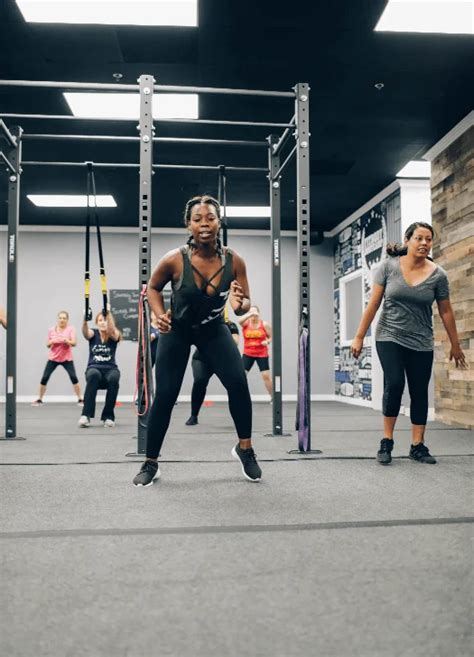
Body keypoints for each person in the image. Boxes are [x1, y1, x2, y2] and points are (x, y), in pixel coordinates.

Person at [133, 194, 262, 486]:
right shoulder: (174, 260)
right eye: (197, 219)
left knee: (239, 384)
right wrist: (157, 315)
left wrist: (240, 303)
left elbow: (243, 304)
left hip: (213, 329)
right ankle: (150, 462)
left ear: (219, 222)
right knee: (165, 394)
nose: (204, 224)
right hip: (176, 330)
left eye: (210, 218)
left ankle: (245, 449)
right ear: (188, 225)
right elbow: (152, 288)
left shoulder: (234, 261)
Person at [351, 221, 467, 465]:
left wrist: (455, 345)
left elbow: (446, 312)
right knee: (394, 382)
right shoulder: (388, 267)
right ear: (408, 240)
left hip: (421, 340)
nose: (424, 243)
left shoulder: (438, 275)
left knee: (419, 391)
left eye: (428, 239)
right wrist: (360, 336)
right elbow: (373, 304)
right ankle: (387, 440)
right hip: (389, 335)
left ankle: (417, 445)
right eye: (419, 238)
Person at [185, 318, 240, 426]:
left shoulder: (231, 325)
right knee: (199, 381)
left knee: (234, 385)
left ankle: (239, 419)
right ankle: (193, 415)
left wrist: (224, 330)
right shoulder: (202, 322)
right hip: (202, 360)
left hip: (222, 361)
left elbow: (235, 343)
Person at [79, 311, 121, 428]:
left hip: (110, 369)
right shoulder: (94, 333)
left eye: (105, 320)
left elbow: (115, 335)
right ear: (97, 323)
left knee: (114, 378)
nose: (103, 323)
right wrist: (85, 320)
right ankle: (85, 415)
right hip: (94, 368)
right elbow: (85, 333)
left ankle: (108, 417)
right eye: (100, 320)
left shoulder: (114, 333)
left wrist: (109, 316)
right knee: (93, 374)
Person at [31, 311, 82, 406]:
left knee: (73, 377)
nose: (62, 320)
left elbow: (74, 343)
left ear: (67, 320)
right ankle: (39, 399)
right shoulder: (51, 329)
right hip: (53, 358)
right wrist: (52, 341)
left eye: (64, 318)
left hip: (67, 359)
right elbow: (47, 344)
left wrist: (67, 341)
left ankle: (80, 399)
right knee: (44, 378)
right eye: (60, 318)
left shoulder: (71, 329)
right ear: (58, 319)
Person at [239, 306, 273, 398]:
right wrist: (250, 314)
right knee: (241, 376)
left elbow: (271, 337)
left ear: (258, 313)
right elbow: (239, 321)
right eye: (251, 313)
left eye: (255, 313)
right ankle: (241, 396)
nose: (253, 315)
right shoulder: (246, 323)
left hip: (261, 353)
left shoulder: (264, 324)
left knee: (266, 376)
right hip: (248, 353)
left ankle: (273, 397)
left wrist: (267, 341)